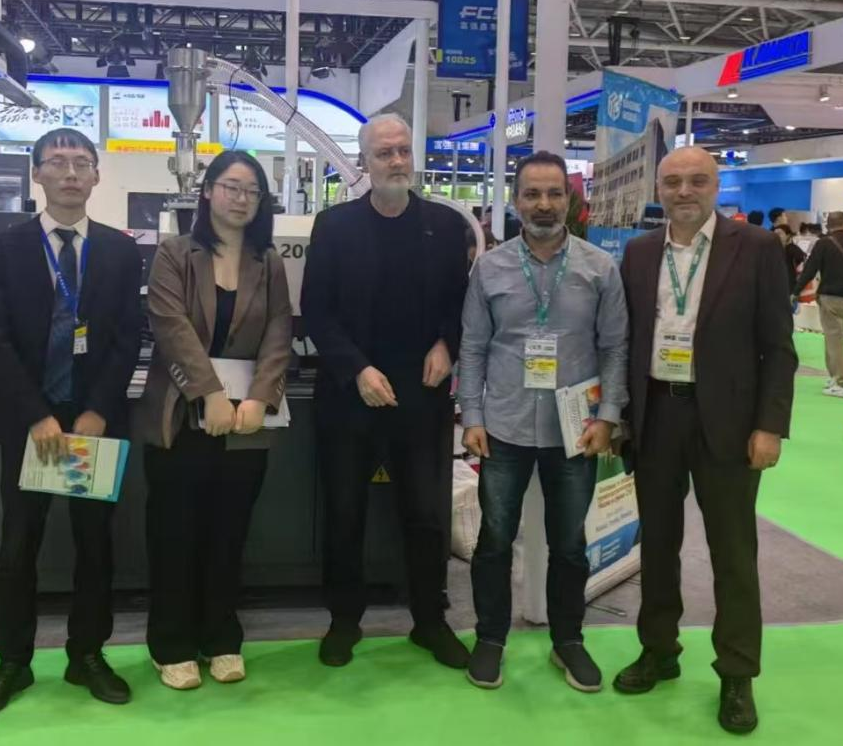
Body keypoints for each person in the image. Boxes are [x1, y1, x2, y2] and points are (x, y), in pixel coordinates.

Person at [614, 147, 796, 736]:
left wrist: (770, 425)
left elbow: (779, 347)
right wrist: (621, 417)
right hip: (657, 416)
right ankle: (658, 650)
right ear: (658, 191)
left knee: (733, 552)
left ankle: (737, 673)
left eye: (697, 180)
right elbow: (627, 341)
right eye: (673, 182)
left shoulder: (757, 248)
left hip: (730, 423)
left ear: (716, 186)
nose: (684, 191)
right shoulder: (640, 253)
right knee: (657, 544)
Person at [0, 129, 144, 721]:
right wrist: (37, 415)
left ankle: (86, 654)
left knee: (95, 544)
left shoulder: (120, 251)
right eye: (58, 163)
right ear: (37, 174)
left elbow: (126, 338)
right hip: (31, 424)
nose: (71, 173)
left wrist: (97, 410)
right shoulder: (6, 247)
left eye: (82, 163)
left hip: (93, 422)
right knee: (20, 545)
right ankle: (12, 663)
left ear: (96, 176)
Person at [300, 113, 471, 670]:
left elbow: (460, 305)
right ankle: (343, 620)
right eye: (384, 153)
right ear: (364, 162)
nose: (396, 161)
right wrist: (357, 370)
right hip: (351, 395)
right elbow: (317, 311)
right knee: (344, 512)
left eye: (403, 151)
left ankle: (430, 620)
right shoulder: (334, 227)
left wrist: (447, 345)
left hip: (422, 394)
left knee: (425, 514)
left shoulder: (445, 227)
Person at [458, 151, 629, 692]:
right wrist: (472, 415)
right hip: (503, 427)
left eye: (554, 193)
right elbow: (473, 347)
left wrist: (609, 416)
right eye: (532, 194)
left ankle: (568, 641)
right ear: (515, 201)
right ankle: (490, 639)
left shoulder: (599, 268)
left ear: (570, 201)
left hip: (575, 431)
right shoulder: (490, 268)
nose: (544, 204)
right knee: (494, 540)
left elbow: (615, 348)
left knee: (570, 544)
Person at [135, 150, 293, 690]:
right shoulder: (176, 253)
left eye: (252, 191)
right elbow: (170, 325)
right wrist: (210, 394)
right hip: (180, 416)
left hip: (245, 422)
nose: (241, 199)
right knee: (174, 533)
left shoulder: (268, 262)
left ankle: (221, 637)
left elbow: (279, 331)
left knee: (229, 533)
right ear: (208, 192)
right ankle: (171, 644)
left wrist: (260, 399)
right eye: (231, 187)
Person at [793, 212, 843, 399]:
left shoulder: (823, 244)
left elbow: (810, 270)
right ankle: (834, 376)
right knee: (834, 338)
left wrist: (795, 291)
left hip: (830, 298)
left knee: (834, 340)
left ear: (828, 225)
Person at [772, 223, 805, 292]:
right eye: (774, 234)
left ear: (788, 235)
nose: (776, 236)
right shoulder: (774, 250)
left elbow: (802, 264)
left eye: (779, 234)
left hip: (791, 287)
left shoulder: (793, 249)